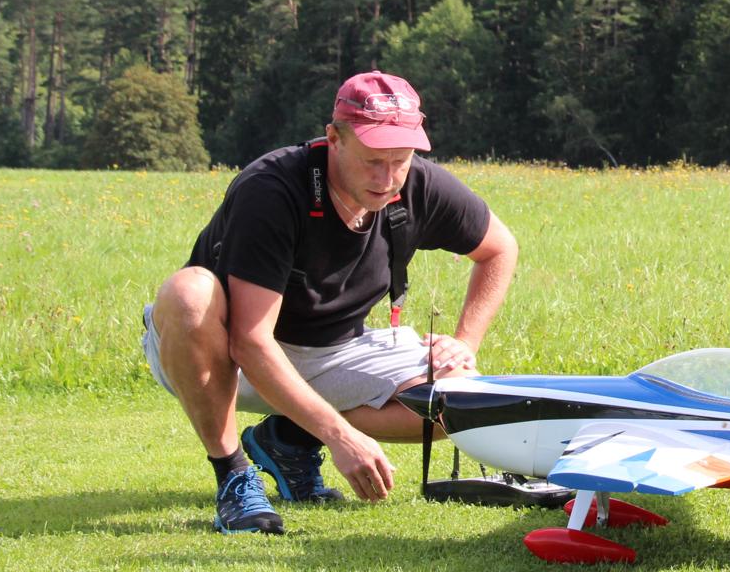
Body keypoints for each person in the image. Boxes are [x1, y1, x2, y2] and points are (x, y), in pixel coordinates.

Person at [141, 71, 518, 533]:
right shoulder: (272, 189)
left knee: (460, 400)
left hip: (333, 351)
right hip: (223, 353)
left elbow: (499, 248)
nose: (386, 179)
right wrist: (340, 436)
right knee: (189, 292)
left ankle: (287, 439)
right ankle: (234, 477)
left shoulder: (417, 185)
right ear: (334, 139)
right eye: (372, 160)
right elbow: (250, 340)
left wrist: (465, 341)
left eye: (400, 161)